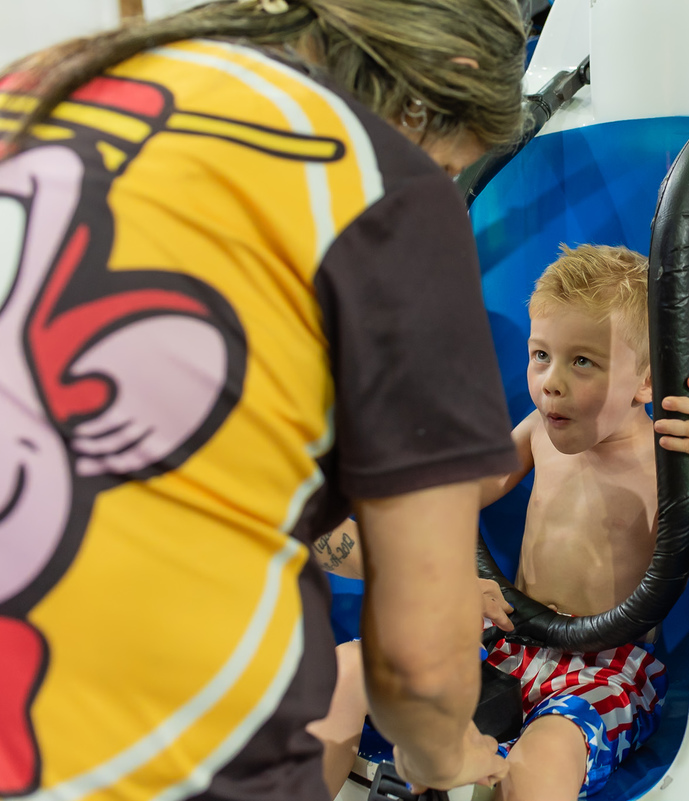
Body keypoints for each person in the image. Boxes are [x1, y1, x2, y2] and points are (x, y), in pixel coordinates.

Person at [0, 1, 526, 799]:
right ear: (443, 84)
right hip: (145, 746)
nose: (441, 184)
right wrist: (447, 757)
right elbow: (421, 667)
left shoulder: (45, 83)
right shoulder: (376, 176)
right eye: (453, 166)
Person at [309, 244, 689, 799]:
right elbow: (462, 494)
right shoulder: (540, 431)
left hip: (601, 670)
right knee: (344, 671)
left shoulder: (666, 468)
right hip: (505, 635)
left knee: (543, 764)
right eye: (541, 355)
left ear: (645, 382)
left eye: (582, 361)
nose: (551, 383)